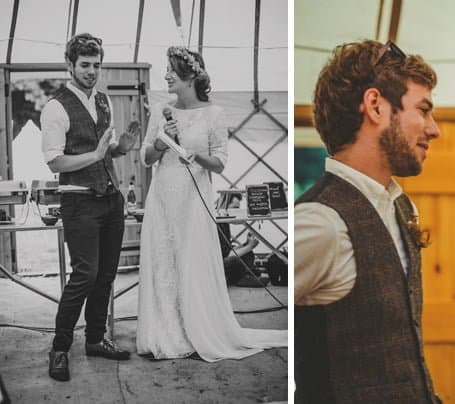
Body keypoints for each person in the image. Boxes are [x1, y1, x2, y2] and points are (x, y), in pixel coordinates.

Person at [295, 39, 442, 403]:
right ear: (376, 106)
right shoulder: (320, 222)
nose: (434, 129)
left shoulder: (399, 207)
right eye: (423, 110)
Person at [136, 46, 286, 361]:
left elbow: (220, 163)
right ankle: (165, 333)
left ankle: (196, 330)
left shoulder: (214, 114)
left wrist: (198, 156)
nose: (165, 76)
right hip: (163, 196)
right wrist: (163, 143)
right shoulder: (161, 111)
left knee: (191, 263)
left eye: (171, 71)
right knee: (164, 263)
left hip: (194, 199)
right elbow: (146, 157)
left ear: (190, 77)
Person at [42, 33, 138, 382]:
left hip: (110, 199)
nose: (91, 71)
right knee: (85, 274)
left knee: (107, 276)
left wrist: (118, 149)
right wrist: (97, 155)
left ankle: (96, 339)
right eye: (85, 65)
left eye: (96, 65)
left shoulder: (103, 101)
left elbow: (105, 150)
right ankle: (59, 348)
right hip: (79, 200)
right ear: (70, 65)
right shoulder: (55, 107)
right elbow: (55, 162)